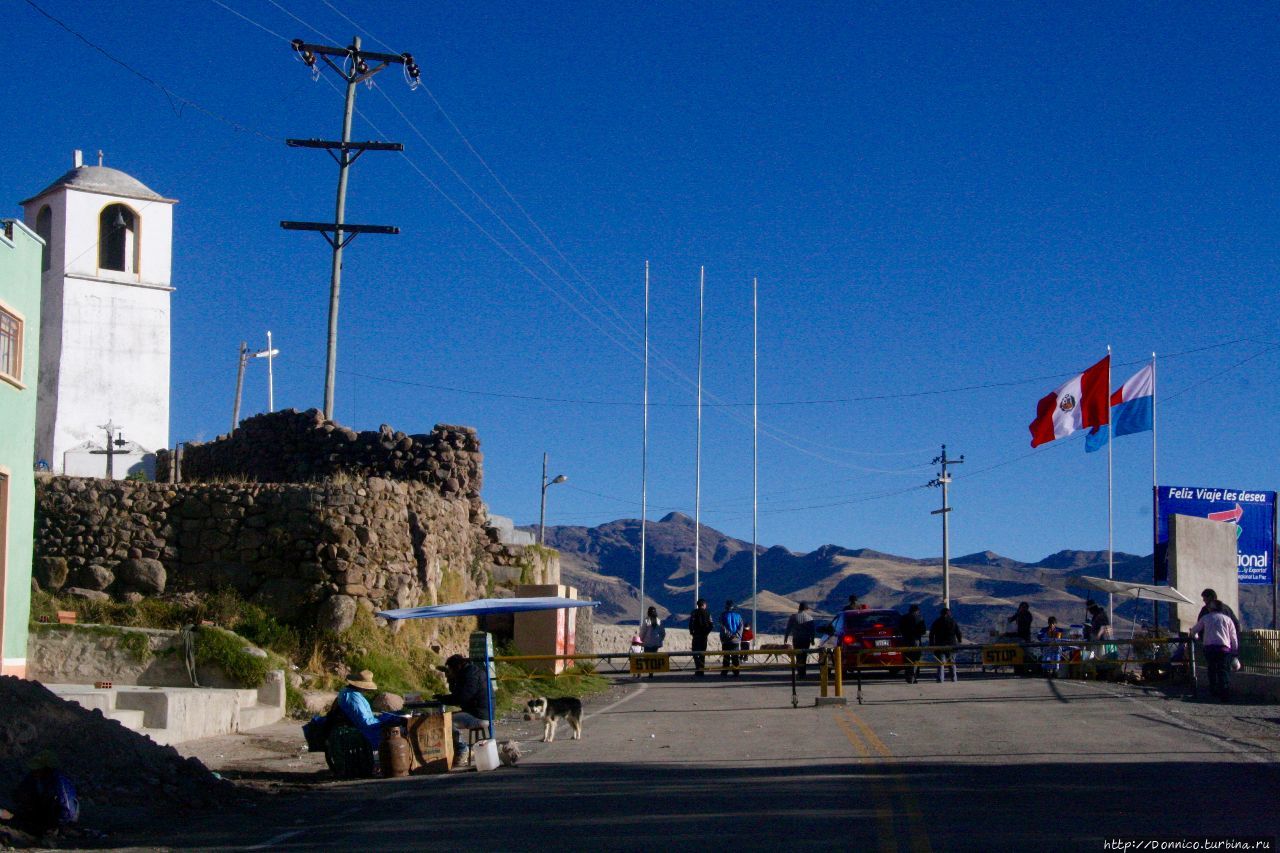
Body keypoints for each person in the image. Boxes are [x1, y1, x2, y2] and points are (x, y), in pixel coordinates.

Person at [435, 654, 491, 768]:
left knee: (445, 721)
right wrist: (452, 680)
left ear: (458, 667)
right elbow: (457, 694)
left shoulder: (471, 676)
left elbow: (461, 697)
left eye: (451, 669)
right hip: (478, 712)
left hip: (479, 715)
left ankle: (462, 748)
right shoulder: (470, 673)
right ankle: (462, 750)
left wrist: (442, 698)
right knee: (446, 719)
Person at [327, 670, 404, 750]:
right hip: (361, 732)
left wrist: (385, 716)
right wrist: (385, 720)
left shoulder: (347, 692)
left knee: (393, 717)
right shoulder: (353, 697)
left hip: (357, 727)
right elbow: (366, 723)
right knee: (398, 732)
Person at [1190, 599, 1240, 702]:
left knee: (1211, 669)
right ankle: (1224, 693)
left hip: (1209, 648)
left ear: (1212, 608)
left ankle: (1213, 691)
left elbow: (1194, 630)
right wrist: (1235, 652)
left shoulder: (1206, 618)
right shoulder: (1227, 619)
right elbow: (1233, 637)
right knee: (1223, 671)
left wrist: (1195, 638)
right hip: (1224, 649)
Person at [784, 602, 817, 679]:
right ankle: (803, 672)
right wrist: (812, 640)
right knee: (804, 655)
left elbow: (788, 628)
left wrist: (786, 637)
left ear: (799, 608)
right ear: (806, 609)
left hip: (797, 639)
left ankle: (799, 672)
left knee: (798, 655)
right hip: (806, 640)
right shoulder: (810, 618)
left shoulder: (793, 617)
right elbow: (812, 631)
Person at [929, 607, 962, 683]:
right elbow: (958, 632)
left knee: (941, 663)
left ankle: (940, 679)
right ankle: (954, 679)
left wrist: (931, 644)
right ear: (949, 613)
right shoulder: (953, 622)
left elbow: (931, 634)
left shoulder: (937, 622)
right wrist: (959, 640)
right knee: (952, 663)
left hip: (940, 646)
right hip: (951, 645)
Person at [900, 604, 927, 683]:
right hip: (915, 640)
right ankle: (913, 677)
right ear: (917, 610)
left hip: (905, 640)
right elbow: (923, 631)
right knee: (915, 659)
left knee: (907, 658)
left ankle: (908, 676)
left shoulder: (903, 618)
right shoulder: (919, 618)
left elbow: (900, 628)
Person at [688, 598, 715, 676]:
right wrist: (706, 632)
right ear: (703, 605)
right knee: (703, 653)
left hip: (696, 635)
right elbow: (711, 625)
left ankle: (698, 668)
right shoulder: (707, 613)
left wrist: (692, 632)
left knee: (695, 652)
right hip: (704, 636)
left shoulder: (694, 613)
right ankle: (701, 669)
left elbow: (691, 623)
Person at [638, 606, 666, 679]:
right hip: (656, 643)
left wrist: (641, 639)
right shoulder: (659, 621)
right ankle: (651, 672)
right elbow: (663, 633)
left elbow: (643, 632)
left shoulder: (646, 621)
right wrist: (660, 640)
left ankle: (649, 671)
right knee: (653, 657)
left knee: (647, 657)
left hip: (647, 643)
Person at [720, 599, 744, 677]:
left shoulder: (723, 615)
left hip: (726, 640)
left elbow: (723, 627)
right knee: (735, 657)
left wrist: (728, 635)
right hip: (736, 640)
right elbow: (741, 627)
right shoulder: (738, 616)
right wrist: (736, 635)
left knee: (726, 656)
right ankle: (736, 671)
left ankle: (725, 671)